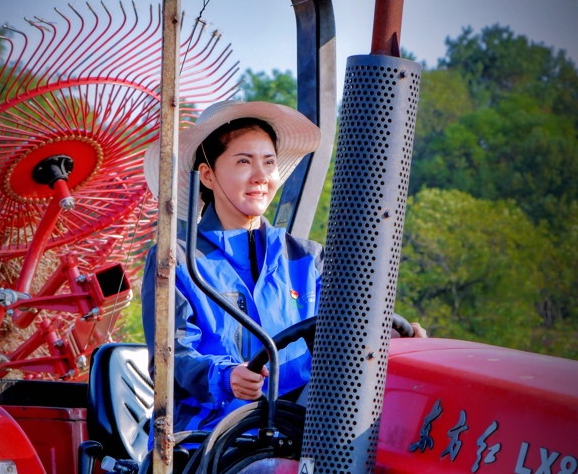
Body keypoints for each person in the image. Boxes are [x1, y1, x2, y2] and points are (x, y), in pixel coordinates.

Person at [141, 99, 425, 434]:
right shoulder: (177, 259)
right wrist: (226, 377)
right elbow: (171, 361)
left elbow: (349, 334)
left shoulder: (308, 258)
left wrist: (390, 339)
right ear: (208, 175)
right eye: (244, 161)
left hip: (304, 433)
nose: (260, 176)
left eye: (269, 162)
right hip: (211, 441)